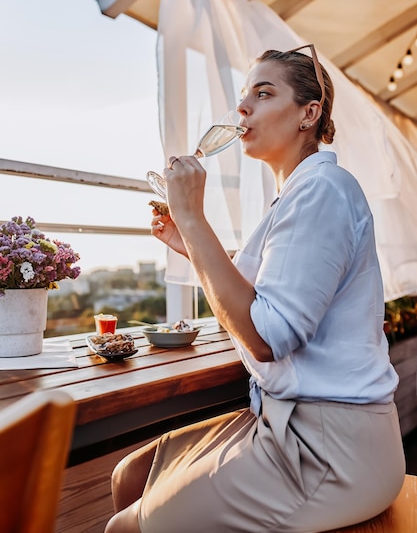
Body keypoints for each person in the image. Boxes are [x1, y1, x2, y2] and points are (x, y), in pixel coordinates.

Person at [105, 44, 405, 533]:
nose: (242, 107)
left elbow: (266, 336)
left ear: (309, 113)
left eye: (263, 94)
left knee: (124, 527)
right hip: (283, 420)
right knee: (132, 476)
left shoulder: (323, 191)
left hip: (331, 448)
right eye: (243, 95)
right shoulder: (295, 196)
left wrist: (195, 218)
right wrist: (190, 242)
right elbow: (261, 295)